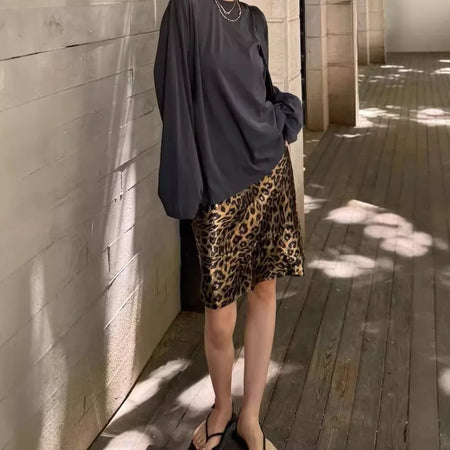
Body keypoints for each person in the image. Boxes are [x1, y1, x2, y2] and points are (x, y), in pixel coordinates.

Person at [153, 0, 305, 448]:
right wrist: (191, 183)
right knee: (220, 318)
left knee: (265, 291)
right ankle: (222, 408)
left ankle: (250, 417)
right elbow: (172, 98)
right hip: (217, 190)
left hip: (268, 176)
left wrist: (278, 124)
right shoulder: (187, 10)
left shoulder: (254, 19)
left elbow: (261, 91)